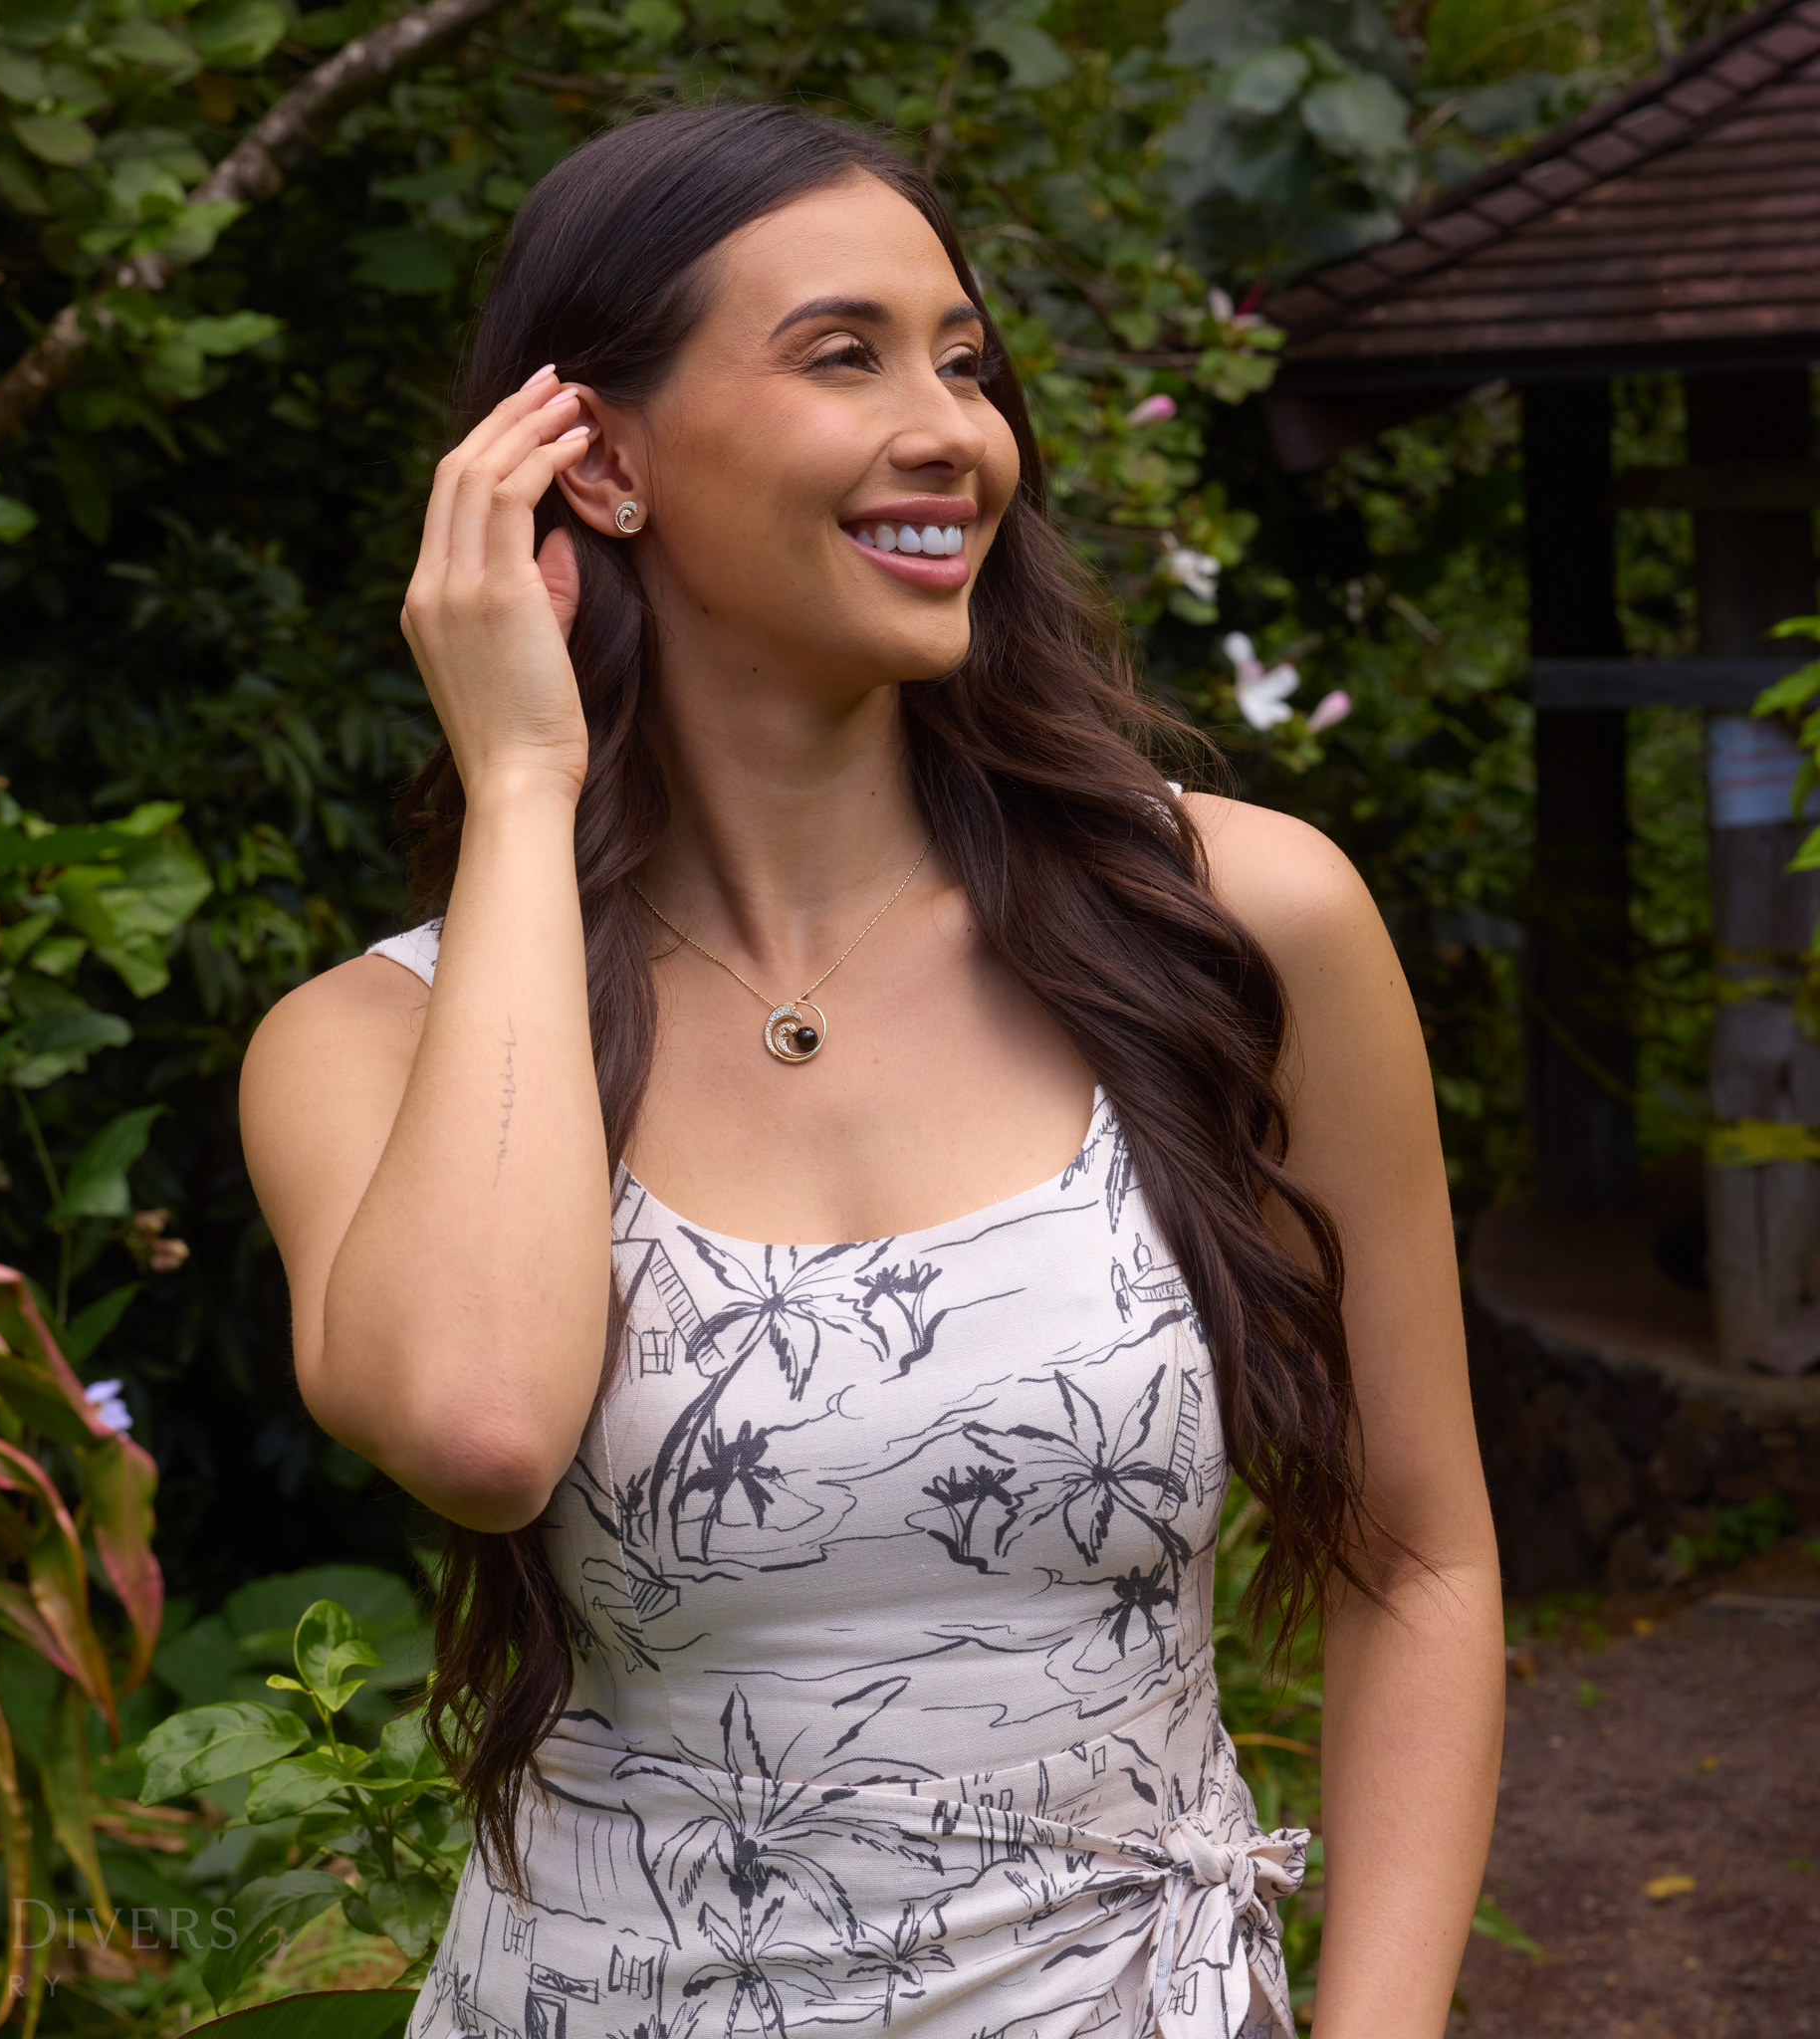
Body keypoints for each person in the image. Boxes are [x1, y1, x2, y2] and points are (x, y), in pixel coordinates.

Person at [240, 102, 1502, 2039]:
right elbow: (483, 1422)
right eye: (846, 356)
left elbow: (1416, 1553)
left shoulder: (1231, 925)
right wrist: (519, 777)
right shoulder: (367, 1044)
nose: (950, 429)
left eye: (964, 364)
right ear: (605, 458)